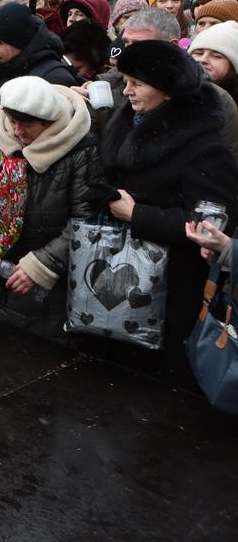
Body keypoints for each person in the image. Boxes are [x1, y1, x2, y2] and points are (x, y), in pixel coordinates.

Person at [100, 41, 238, 358]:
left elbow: (211, 226)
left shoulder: (205, 150)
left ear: (168, 91)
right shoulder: (128, 125)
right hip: (119, 272)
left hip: (171, 290)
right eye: (125, 82)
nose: (126, 91)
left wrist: (138, 214)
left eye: (137, 84)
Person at [0, 76, 101, 341]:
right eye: (12, 122)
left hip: (52, 289)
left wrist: (42, 265)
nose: (17, 132)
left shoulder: (80, 152)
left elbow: (86, 223)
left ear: (48, 123)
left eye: (27, 125)